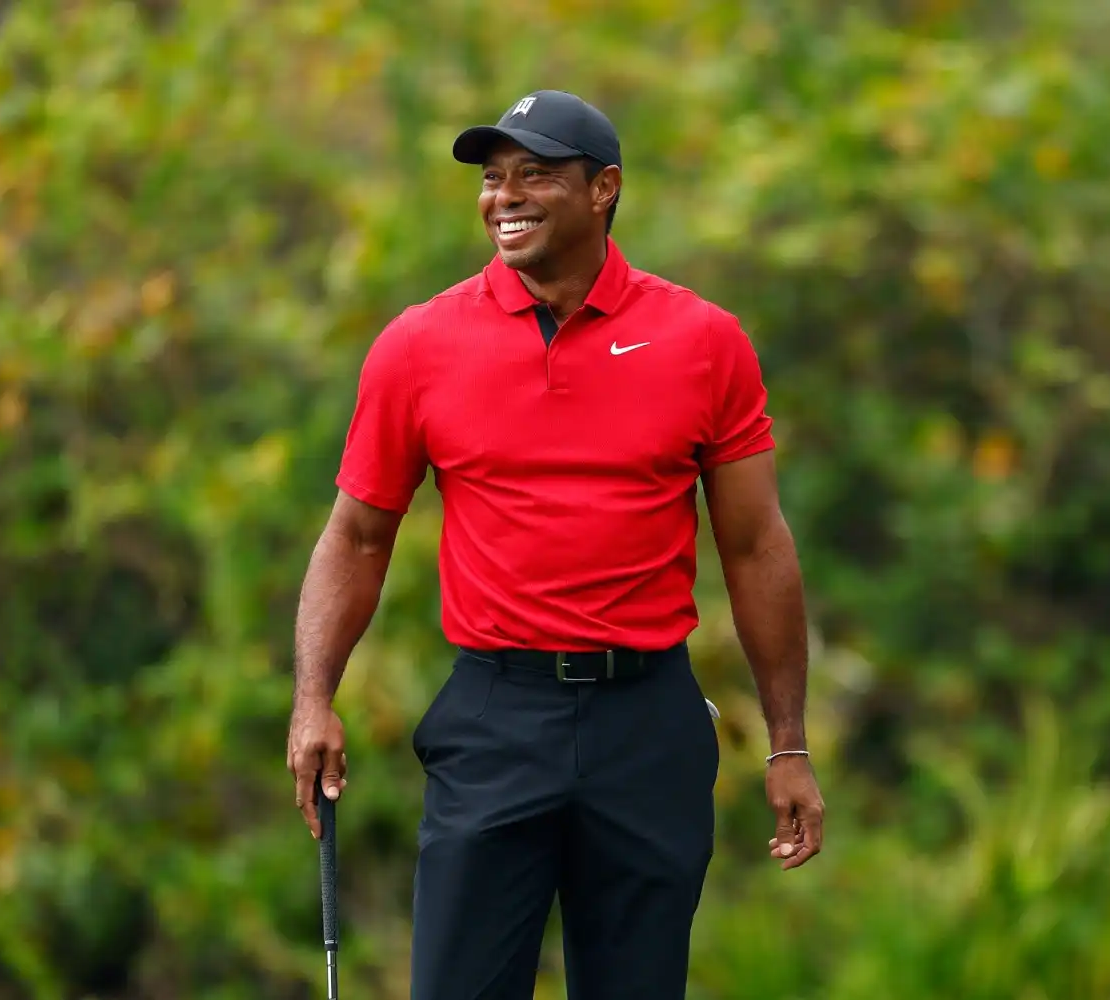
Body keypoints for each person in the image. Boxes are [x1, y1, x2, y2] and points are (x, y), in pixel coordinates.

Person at [286, 89, 824, 1000]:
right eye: (493, 178)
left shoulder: (703, 341)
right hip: (496, 716)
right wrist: (313, 700)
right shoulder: (419, 345)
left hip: (647, 720)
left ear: (603, 189)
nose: (505, 196)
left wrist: (788, 744)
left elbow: (756, 548)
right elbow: (358, 536)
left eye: (534, 174)